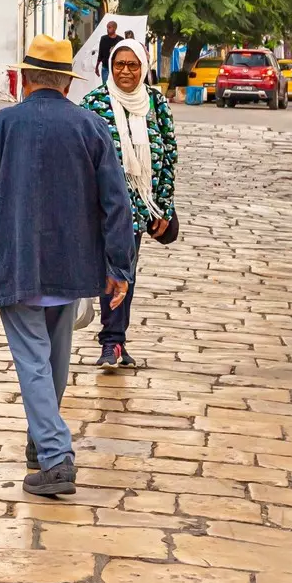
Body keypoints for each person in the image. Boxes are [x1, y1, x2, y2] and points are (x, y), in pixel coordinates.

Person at [0, 34, 134, 498]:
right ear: (66, 85)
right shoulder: (91, 127)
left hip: (15, 262)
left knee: (33, 361)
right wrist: (119, 267)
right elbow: (117, 205)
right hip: (71, 268)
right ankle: (40, 439)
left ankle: (54, 456)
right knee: (54, 361)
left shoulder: (1, 125)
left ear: (24, 79)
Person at [78, 38, 177, 370]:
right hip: (101, 206)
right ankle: (109, 338)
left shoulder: (157, 104)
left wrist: (162, 204)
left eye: (132, 65)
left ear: (143, 68)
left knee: (123, 271)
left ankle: (113, 341)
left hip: (138, 207)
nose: (125, 71)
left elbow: (168, 153)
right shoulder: (95, 103)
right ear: (109, 66)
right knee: (109, 270)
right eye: (119, 64)